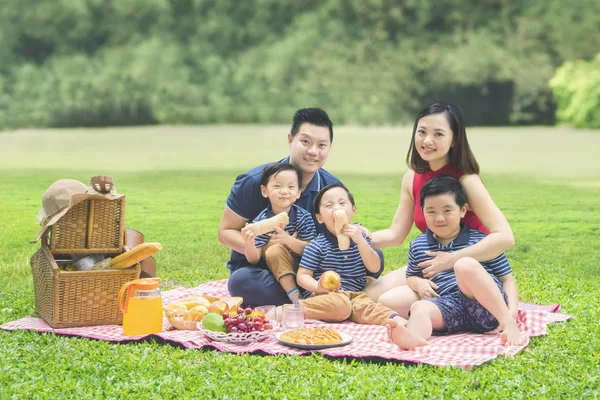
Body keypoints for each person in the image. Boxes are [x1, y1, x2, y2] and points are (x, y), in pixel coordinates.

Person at [218, 108, 385, 306]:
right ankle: (327, 299)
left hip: (311, 268)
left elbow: (335, 239)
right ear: (290, 139)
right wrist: (264, 249)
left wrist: (356, 231)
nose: (313, 151)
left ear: (329, 147)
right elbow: (226, 231)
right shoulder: (254, 182)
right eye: (305, 142)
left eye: (322, 145)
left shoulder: (331, 188)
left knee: (376, 256)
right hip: (260, 268)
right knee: (242, 282)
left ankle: (315, 298)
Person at [365, 103, 515, 314]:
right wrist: (358, 237)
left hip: (471, 268)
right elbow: (395, 234)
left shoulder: (467, 181)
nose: (427, 141)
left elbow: (505, 237)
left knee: (388, 301)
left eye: (438, 134)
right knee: (368, 295)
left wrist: (451, 260)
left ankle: (441, 311)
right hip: (431, 264)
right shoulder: (411, 178)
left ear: (454, 140)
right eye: (422, 132)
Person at [387, 176, 523, 349]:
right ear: (422, 212)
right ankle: (412, 338)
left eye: (447, 210)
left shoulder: (481, 241)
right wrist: (418, 282)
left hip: (487, 307)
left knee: (464, 264)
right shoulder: (418, 245)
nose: (439, 218)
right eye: (431, 212)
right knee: (419, 307)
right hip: (450, 306)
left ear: (463, 210)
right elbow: (411, 276)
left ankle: (508, 326)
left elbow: (507, 279)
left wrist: (511, 316)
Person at [268, 184, 402, 327]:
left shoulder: (361, 238)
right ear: (319, 218)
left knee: (367, 306)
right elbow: (302, 276)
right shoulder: (317, 245)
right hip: (324, 295)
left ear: (353, 210)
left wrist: (360, 241)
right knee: (341, 305)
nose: (337, 208)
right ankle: (288, 311)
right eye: (329, 205)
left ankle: (398, 322)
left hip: (355, 295)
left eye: (342, 203)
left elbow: (374, 268)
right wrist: (318, 286)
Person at [241, 163, 316, 303]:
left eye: (291, 187)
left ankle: (310, 292)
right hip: (279, 273)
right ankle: (295, 297)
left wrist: (288, 240)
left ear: (298, 192)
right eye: (277, 186)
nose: (284, 191)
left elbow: (311, 249)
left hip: (305, 268)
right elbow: (254, 259)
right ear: (264, 191)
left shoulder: (304, 217)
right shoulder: (261, 221)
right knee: (274, 250)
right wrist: (248, 244)